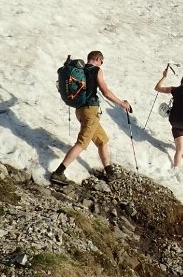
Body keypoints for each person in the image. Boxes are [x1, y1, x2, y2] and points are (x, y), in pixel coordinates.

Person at [50, 50, 132, 185]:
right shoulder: (96, 71)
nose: (101, 64)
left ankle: (110, 172)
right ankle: (58, 173)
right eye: (102, 61)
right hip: (90, 111)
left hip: (80, 110)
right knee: (82, 143)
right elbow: (106, 92)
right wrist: (122, 103)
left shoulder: (80, 70)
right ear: (98, 59)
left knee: (102, 141)